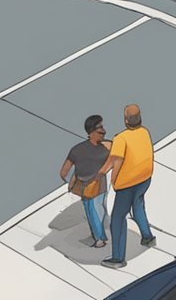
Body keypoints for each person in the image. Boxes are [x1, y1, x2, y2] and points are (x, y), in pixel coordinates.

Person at [99, 104, 156, 269]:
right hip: (144, 178)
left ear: (125, 120)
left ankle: (118, 258)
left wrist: (107, 177)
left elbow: (114, 161)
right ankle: (147, 236)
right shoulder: (144, 132)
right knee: (138, 207)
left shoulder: (120, 138)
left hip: (127, 184)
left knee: (117, 218)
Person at [61, 115, 112, 248]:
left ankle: (99, 237)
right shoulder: (107, 147)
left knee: (92, 211)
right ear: (92, 132)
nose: (104, 131)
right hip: (97, 186)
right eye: (100, 128)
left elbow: (64, 172)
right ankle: (98, 236)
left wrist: (71, 180)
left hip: (85, 186)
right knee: (96, 211)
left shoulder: (77, 149)